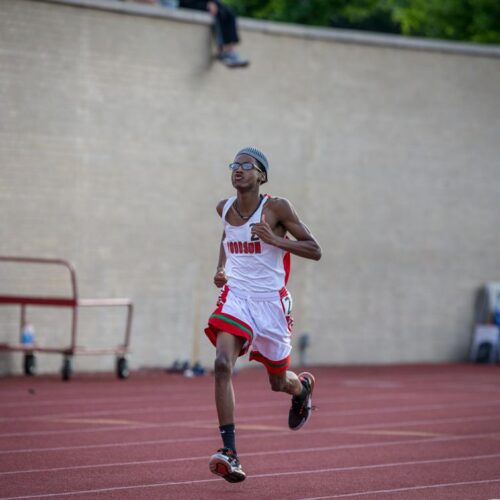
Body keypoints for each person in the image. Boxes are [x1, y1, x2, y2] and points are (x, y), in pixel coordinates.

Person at [204, 147, 322, 482]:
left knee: (277, 382)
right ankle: (230, 451)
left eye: (246, 165)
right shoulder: (224, 208)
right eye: (234, 165)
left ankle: (300, 390)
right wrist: (221, 268)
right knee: (222, 363)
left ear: (261, 175)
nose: (238, 169)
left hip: (271, 303)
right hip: (237, 297)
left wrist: (275, 240)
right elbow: (226, 237)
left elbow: (315, 249)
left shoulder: (277, 208)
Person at [178, 1, 249, 68]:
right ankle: (222, 50)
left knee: (229, 13)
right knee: (219, 12)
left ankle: (230, 51)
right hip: (190, 3)